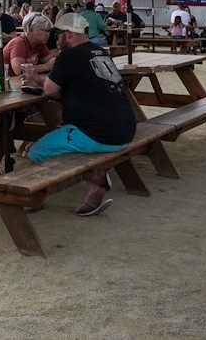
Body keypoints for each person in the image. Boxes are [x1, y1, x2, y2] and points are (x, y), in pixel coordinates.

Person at [31, 13, 137, 217]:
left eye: (58, 34)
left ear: (68, 34)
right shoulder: (101, 52)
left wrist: (39, 83)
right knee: (65, 138)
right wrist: (40, 82)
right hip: (126, 129)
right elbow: (85, 87)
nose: (56, 39)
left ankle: (92, 178)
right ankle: (95, 183)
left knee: (35, 151)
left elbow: (50, 91)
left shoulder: (68, 55)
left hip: (97, 134)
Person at [5, 12, 53, 85]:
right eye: (43, 30)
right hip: (10, 86)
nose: (47, 34)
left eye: (48, 31)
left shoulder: (39, 43)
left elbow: (51, 62)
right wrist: (45, 67)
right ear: (30, 30)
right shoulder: (19, 43)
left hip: (24, 83)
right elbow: (19, 70)